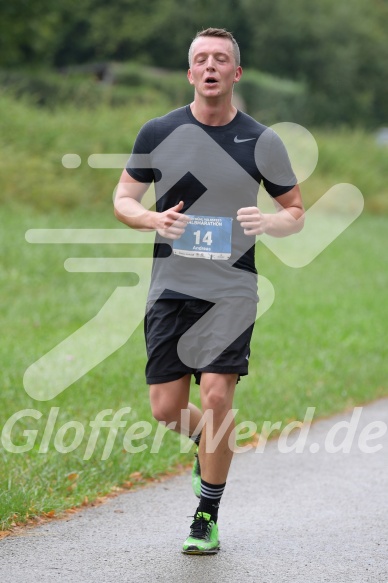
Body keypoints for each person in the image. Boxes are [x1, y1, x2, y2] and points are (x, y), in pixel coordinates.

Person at [114, 27, 304, 554]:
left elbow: (296, 212)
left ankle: (206, 514)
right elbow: (123, 198)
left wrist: (270, 222)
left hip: (232, 290)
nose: (211, 66)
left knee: (216, 397)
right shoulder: (158, 131)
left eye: (221, 59)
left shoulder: (262, 140)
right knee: (165, 407)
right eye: (202, 59)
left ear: (235, 73)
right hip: (171, 289)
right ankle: (212, 446)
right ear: (191, 72)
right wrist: (150, 217)